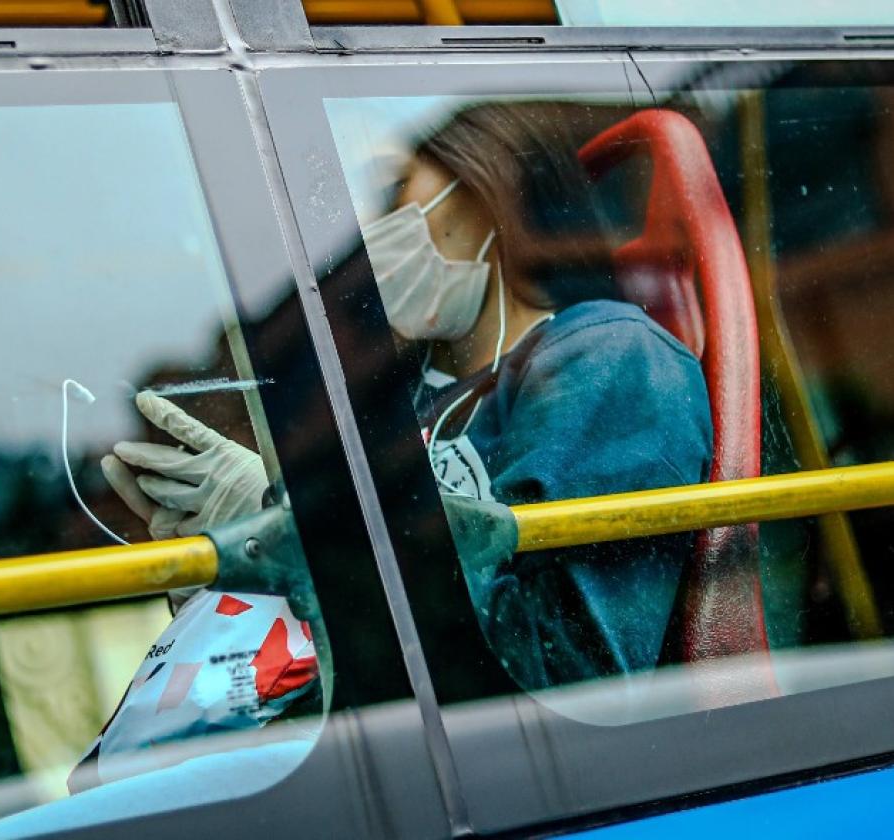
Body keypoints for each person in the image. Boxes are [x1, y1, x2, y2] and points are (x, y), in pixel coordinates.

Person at [105, 104, 712, 689]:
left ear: (487, 192)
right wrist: (247, 571)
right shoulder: (404, 396)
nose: (374, 236)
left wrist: (295, 537)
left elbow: (565, 671)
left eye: (396, 198)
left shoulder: (607, 360)